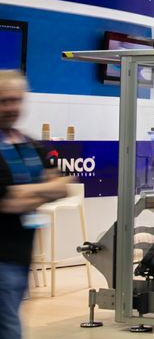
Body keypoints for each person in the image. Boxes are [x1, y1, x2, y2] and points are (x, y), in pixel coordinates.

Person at [0, 70, 71, 339]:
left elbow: (63, 185)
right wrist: (44, 190)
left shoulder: (30, 145)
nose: (12, 107)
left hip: (21, 258)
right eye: (4, 101)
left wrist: (28, 191)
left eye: (16, 100)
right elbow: (11, 202)